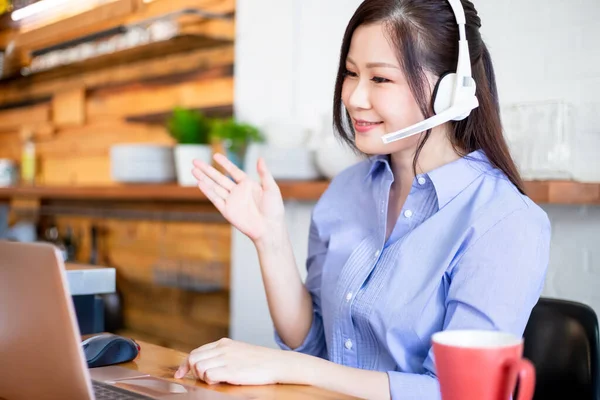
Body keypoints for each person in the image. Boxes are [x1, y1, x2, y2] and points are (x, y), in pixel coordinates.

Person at [174, 0, 551, 399]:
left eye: (381, 79)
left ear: (451, 91)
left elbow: (461, 393)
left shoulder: (506, 220)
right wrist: (270, 240)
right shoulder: (347, 191)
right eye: (351, 73)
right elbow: (315, 346)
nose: (354, 97)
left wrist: (287, 366)